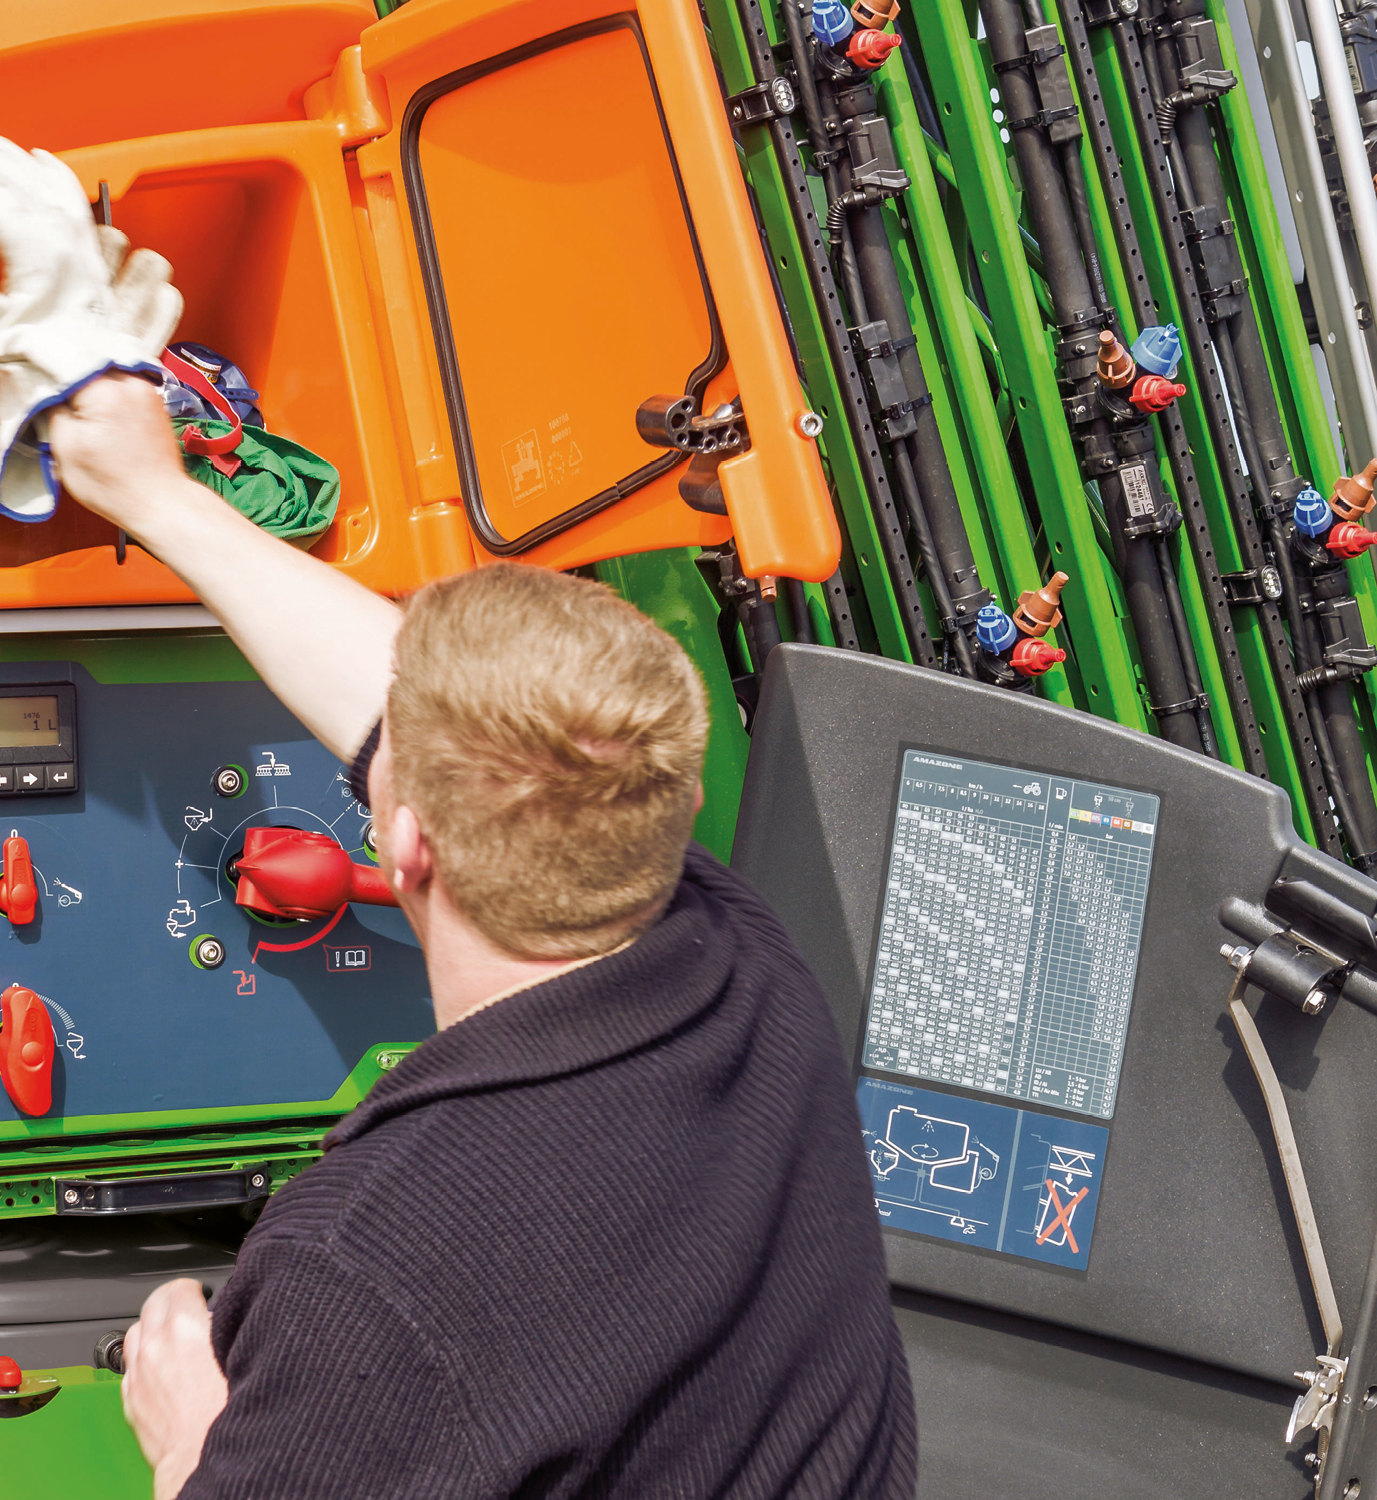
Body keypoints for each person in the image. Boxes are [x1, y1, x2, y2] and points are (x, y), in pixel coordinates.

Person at [45, 373, 916, 1499]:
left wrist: (190, 1443)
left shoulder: (365, 1269)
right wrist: (156, 498)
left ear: (402, 844)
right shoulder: (748, 965)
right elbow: (395, 703)